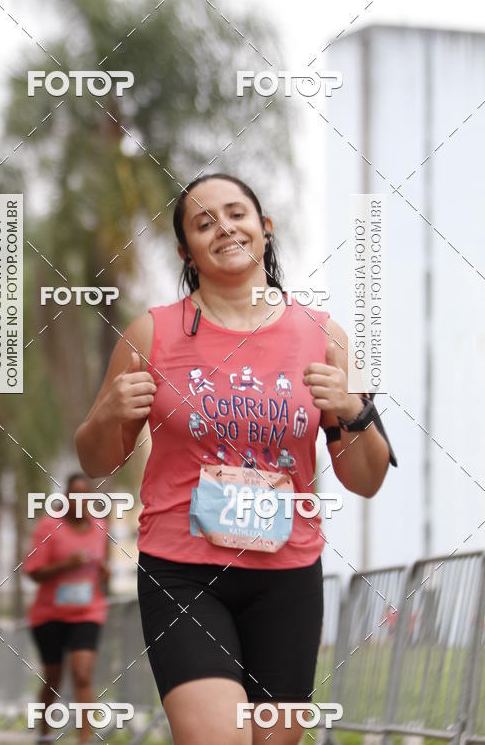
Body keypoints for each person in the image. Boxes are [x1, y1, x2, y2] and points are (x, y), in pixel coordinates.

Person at [75, 173, 397, 745]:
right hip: (183, 571)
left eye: (237, 213)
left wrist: (353, 409)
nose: (225, 227)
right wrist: (107, 414)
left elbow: (366, 480)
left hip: (288, 575)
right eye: (204, 223)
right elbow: (97, 457)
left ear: (264, 229)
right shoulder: (152, 333)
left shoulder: (325, 335)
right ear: (186, 252)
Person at [23, 472, 111, 745]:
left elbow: (100, 565)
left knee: (83, 673)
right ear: (65, 499)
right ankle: (45, 732)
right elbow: (33, 573)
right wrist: (66, 565)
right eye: (75, 495)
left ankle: (84, 739)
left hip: (88, 612)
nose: (80, 501)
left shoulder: (100, 527)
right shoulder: (49, 527)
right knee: (53, 677)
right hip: (49, 615)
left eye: (86, 496)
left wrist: (103, 574)